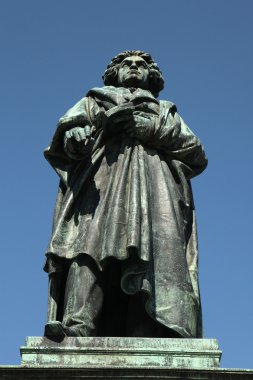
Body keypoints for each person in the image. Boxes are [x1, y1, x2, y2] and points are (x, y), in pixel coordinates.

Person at [44, 50, 208, 338]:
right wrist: (77, 138)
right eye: (126, 64)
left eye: (141, 65)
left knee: (153, 254)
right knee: (87, 247)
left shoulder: (165, 111)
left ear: (152, 76)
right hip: (100, 185)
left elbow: (195, 151)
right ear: (115, 73)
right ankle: (76, 326)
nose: (133, 68)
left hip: (153, 190)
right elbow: (68, 137)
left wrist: (148, 128)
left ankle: (150, 328)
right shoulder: (93, 101)